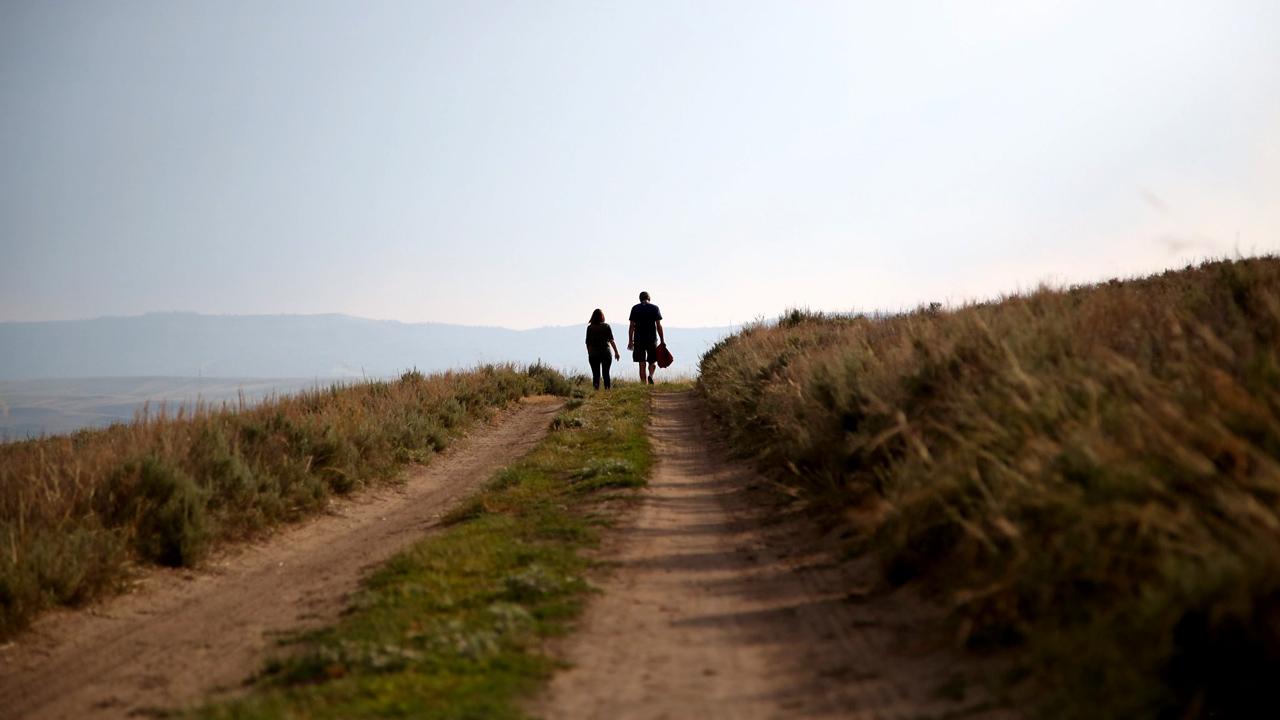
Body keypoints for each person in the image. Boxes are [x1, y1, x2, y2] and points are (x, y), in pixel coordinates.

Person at [627, 291, 665, 385]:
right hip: (651, 339)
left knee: (641, 363)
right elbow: (658, 325)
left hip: (638, 339)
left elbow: (632, 326)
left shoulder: (635, 308)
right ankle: (651, 376)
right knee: (653, 361)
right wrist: (662, 340)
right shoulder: (654, 308)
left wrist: (630, 341)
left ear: (640, 299)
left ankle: (644, 385)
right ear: (649, 298)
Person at [585, 308, 620, 390]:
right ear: (602, 317)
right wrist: (616, 352)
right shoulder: (606, 326)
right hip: (606, 353)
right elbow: (611, 341)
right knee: (606, 373)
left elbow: (588, 343)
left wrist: (589, 353)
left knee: (596, 374)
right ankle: (607, 390)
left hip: (594, 353)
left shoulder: (590, 328)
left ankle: (596, 391)